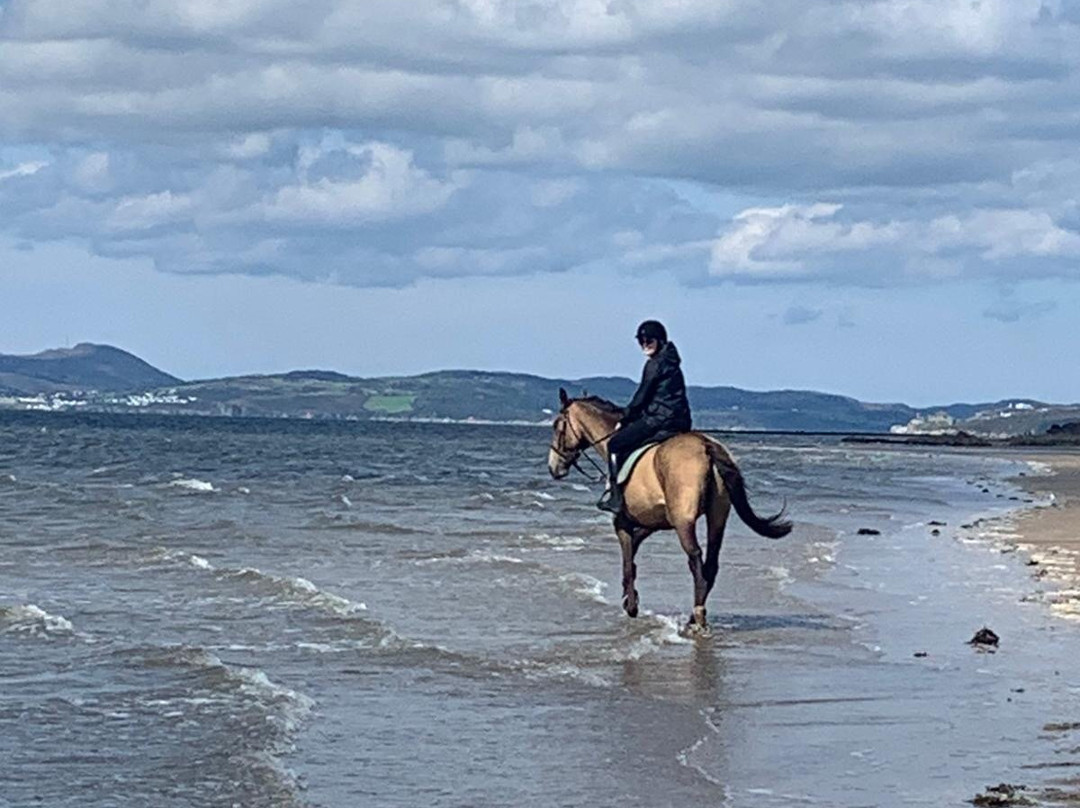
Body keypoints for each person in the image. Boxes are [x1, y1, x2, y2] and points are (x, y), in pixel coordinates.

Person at [597, 320, 693, 514]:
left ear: (659, 340)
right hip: (681, 420)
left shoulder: (654, 364)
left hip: (660, 419)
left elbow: (642, 396)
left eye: (649, 340)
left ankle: (616, 498)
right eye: (641, 340)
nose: (644, 344)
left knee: (615, 444)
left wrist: (625, 417)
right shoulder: (671, 361)